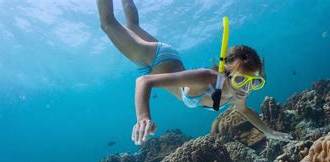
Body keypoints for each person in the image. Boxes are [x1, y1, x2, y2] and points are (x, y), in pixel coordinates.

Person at [97, 0, 293, 145]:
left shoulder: (237, 93)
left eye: (255, 82)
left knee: (132, 27)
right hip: (158, 58)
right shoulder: (205, 78)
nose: (247, 89)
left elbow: (244, 110)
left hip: (163, 65)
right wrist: (143, 118)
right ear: (226, 74)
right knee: (107, 23)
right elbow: (144, 81)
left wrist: (270, 132)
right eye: (242, 80)